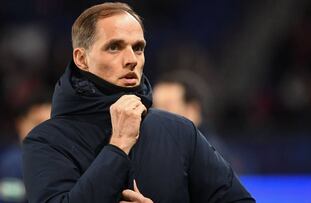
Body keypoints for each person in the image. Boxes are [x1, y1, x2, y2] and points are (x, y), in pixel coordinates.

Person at [22, 2, 255, 203]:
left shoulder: (180, 131)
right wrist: (118, 146)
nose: (131, 60)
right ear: (81, 59)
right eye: (114, 47)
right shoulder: (46, 140)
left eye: (138, 48)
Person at [153, 70, 232, 162]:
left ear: (192, 110)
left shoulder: (211, 157)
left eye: (166, 106)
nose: (155, 114)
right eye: (154, 107)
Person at [0, 93, 51, 203]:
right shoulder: (11, 162)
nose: (45, 132)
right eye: (38, 123)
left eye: (51, 125)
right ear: (20, 123)